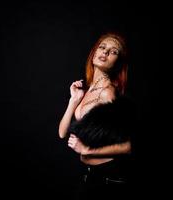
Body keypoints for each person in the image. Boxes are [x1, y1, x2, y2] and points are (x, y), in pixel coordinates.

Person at [58, 32, 137, 199]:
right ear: (94, 53)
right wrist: (74, 101)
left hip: (108, 177)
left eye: (114, 51)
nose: (106, 52)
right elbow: (62, 133)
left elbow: (128, 146)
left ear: (118, 62)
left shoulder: (108, 93)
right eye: (102, 47)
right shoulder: (88, 91)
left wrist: (87, 149)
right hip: (90, 174)